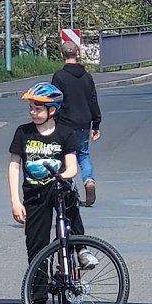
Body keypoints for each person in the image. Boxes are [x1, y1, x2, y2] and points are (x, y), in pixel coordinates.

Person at [7, 82, 98, 304]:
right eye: (31, 108)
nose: (32, 112)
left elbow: (72, 166)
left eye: (37, 108)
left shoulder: (65, 133)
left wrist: (63, 177)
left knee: (69, 198)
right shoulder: (23, 133)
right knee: (37, 251)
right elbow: (15, 166)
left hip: (57, 188)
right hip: (34, 196)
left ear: (52, 110)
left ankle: (80, 249)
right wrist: (15, 200)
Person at [51, 41, 102, 206]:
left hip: (65, 123)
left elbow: (54, 101)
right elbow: (93, 100)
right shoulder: (87, 77)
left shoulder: (59, 77)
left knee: (64, 156)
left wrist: (52, 121)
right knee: (83, 154)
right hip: (84, 122)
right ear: (77, 53)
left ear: (62, 55)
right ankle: (89, 181)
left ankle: (67, 189)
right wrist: (96, 124)